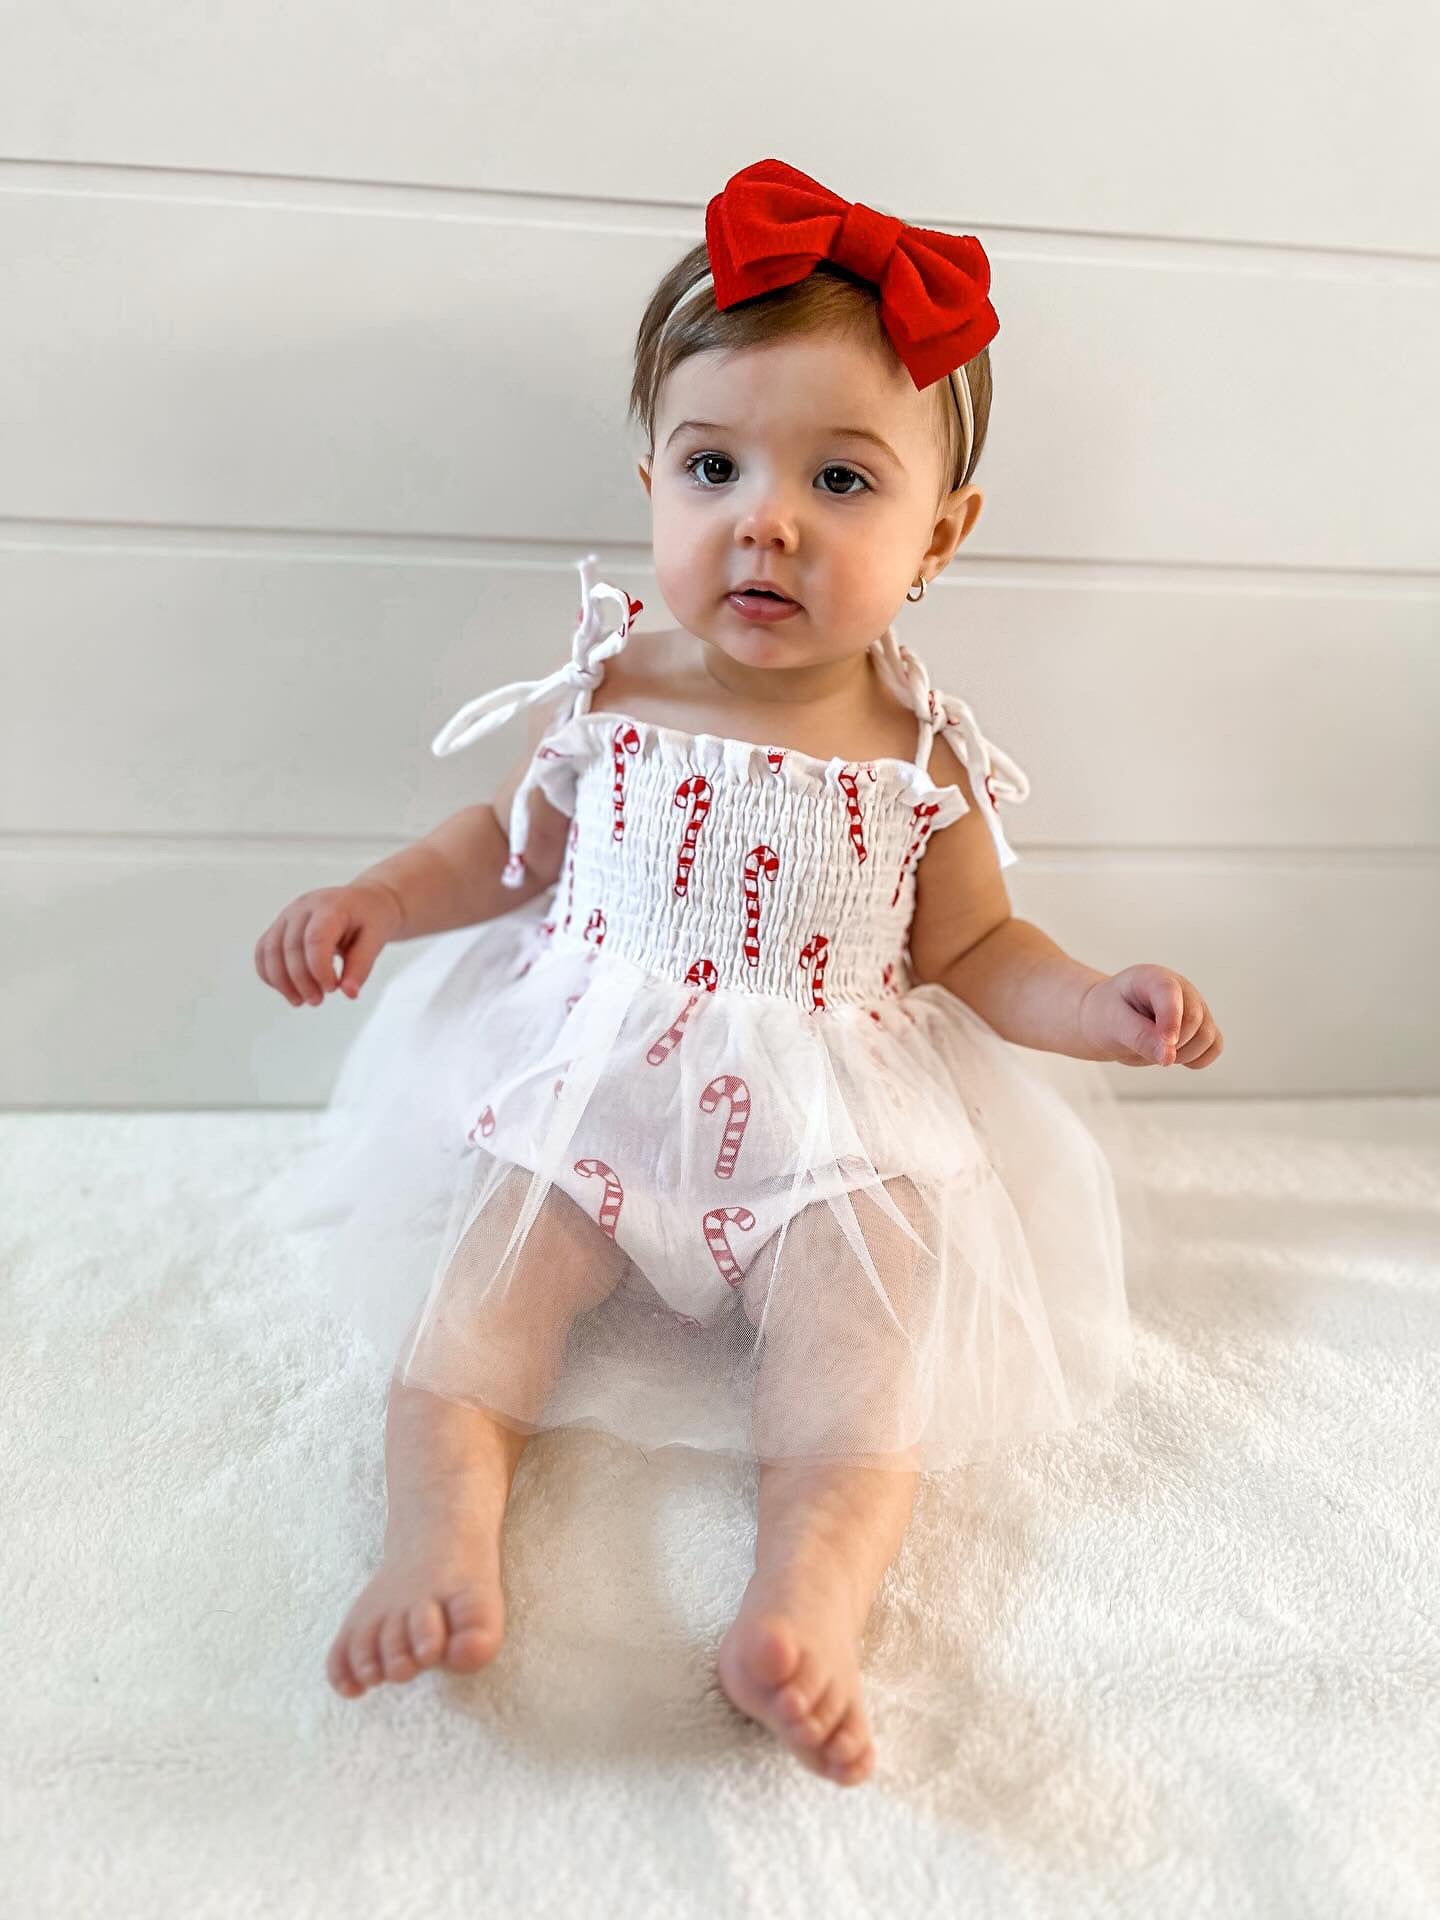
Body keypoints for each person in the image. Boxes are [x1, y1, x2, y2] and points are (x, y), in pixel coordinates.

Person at [250, 157, 1223, 1788]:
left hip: (822, 1136)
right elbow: (507, 848)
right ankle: (440, 1546)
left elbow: (978, 946)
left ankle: (807, 1604)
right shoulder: (615, 681)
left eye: (842, 482)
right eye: (716, 465)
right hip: (586, 1090)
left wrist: (1097, 1004)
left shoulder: (917, 754)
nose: (764, 518)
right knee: (475, 1312)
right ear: (652, 481)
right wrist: (372, 897)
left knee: (867, 1342)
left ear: (942, 535)